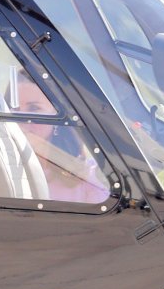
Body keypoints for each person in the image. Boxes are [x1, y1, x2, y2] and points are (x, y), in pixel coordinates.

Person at [11, 73, 109, 203]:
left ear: (57, 115)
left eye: (34, 108)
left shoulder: (89, 181)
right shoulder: (2, 168)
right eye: (15, 109)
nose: (22, 119)